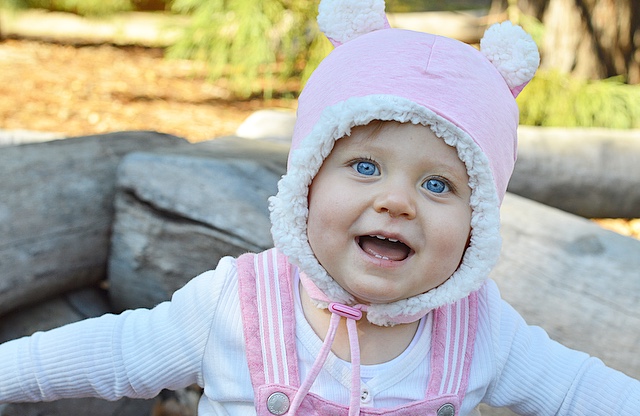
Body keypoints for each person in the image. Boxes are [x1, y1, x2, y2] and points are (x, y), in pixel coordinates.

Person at [1, 0, 639, 414]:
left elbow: (581, 391)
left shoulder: (478, 331)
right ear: (305, 180)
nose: (396, 200)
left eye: (440, 185)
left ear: (478, 227)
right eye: (364, 167)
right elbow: (115, 354)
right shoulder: (237, 306)